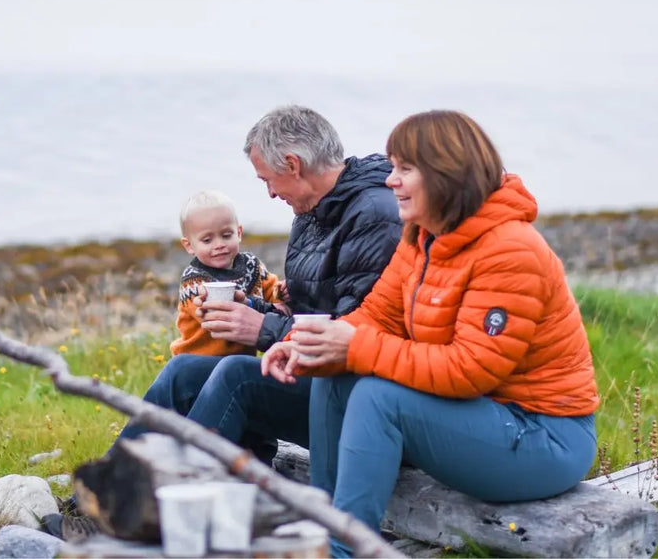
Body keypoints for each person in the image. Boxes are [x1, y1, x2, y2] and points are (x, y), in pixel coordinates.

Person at [261, 110, 599, 557]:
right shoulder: (423, 235)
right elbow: (378, 314)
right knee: (334, 371)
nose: (390, 181)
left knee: (378, 397)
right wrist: (304, 345)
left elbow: (469, 371)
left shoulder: (511, 251)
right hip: (482, 419)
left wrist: (356, 346)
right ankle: (327, 530)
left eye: (405, 169)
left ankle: (347, 550)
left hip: (544, 438)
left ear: (445, 173)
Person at [112, 104, 402, 458]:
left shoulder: (374, 216)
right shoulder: (311, 213)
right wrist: (248, 308)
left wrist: (262, 327)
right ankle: (101, 495)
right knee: (182, 370)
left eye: (267, 179)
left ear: (293, 165)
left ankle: (181, 499)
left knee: (237, 374)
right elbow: (309, 311)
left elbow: (355, 336)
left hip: (357, 397)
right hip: (312, 370)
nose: (269, 193)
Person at [171, 189, 287, 357]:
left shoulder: (251, 266)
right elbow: (218, 318)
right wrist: (268, 308)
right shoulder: (194, 280)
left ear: (238, 233)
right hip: (197, 360)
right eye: (207, 240)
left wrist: (283, 294)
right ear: (189, 245)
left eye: (226, 235)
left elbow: (271, 290)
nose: (219, 244)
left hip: (237, 361)